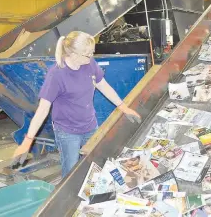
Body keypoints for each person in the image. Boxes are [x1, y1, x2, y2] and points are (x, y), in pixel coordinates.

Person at [12, 31, 141, 178]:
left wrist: (123, 107)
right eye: (88, 54)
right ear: (73, 55)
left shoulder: (89, 64)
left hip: (90, 126)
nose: (91, 57)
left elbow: (103, 85)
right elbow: (42, 110)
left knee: (97, 166)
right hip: (67, 132)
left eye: (92, 53)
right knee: (71, 174)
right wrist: (27, 142)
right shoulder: (56, 75)